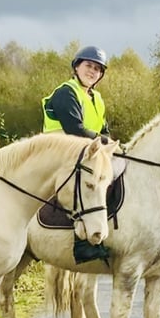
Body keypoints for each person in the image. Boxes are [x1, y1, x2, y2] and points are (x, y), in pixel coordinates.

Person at [42, 45, 111, 263]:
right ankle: (82, 245)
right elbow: (75, 128)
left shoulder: (96, 98)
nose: (92, 71)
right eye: (88, 66)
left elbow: (104, 130)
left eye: (97, 69)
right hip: (59, 152)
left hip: (86, 153)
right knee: (82, 183)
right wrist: (104, 141)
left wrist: (112, 145)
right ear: (76, 67)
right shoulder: (66, 92)